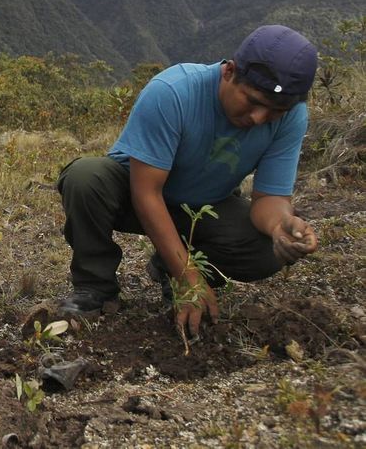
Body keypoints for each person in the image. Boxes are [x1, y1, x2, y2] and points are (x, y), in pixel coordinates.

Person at [57, 24, 319, 340]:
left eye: (274, 111)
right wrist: (187, 277)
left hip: (204, 208)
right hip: (133, 194)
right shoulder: (173, 92)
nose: (259, 118)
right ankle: (95, 286)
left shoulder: (291, 117)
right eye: (252, 101)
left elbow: (269, 198)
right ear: (229, 72)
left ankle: (170, 265)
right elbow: (147, 193)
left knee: (266, 252)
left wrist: (280, 226)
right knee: (85, 178)